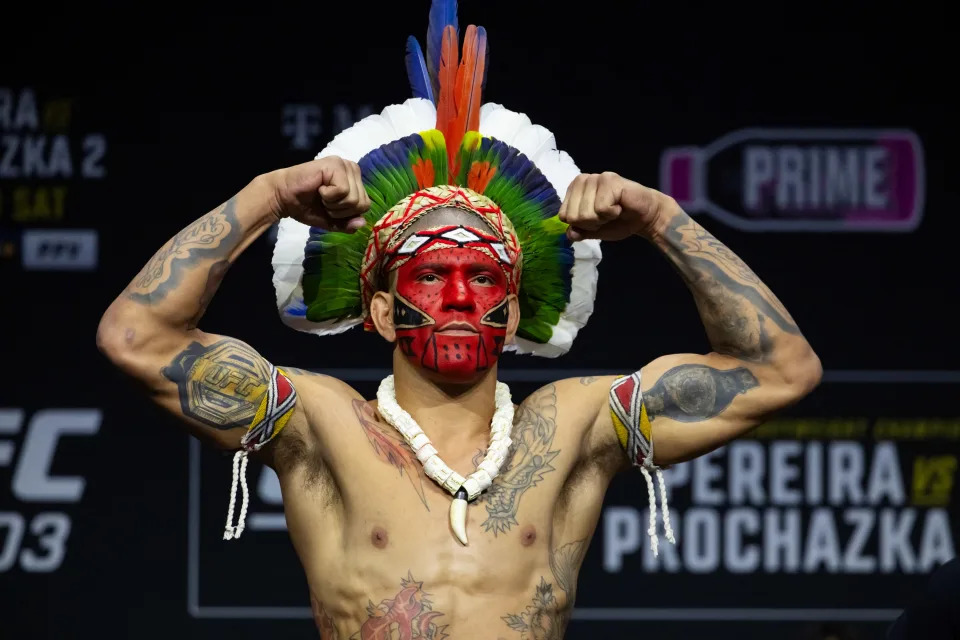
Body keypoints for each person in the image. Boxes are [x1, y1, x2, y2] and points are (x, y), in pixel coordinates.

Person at [96, 2, 821, 637]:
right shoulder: (319, 425)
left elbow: (781, 371)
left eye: (483, 278)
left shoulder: (572, 427)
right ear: (379, 310)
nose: (459, 299)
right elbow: (136, 338)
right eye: (432, 276)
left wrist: (663, 219)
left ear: (511, 316)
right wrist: (267, 196)